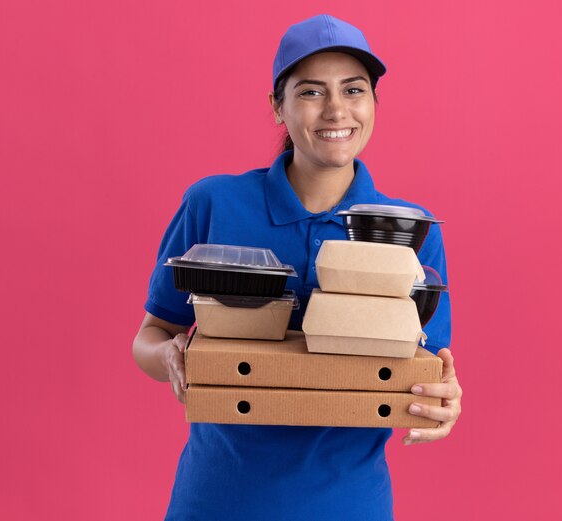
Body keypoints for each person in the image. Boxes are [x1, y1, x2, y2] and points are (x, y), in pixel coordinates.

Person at [133, 14, 462, 521]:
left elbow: (426, 365)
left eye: (354, 90)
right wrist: (171, 358)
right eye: (311, 92)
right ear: (277, 106)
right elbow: (150, 337)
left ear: (373, 102)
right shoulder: (213, 204)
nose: (336, 110)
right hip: (218, 499)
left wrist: (445, 398)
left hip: (348, 503)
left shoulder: (410, 232)